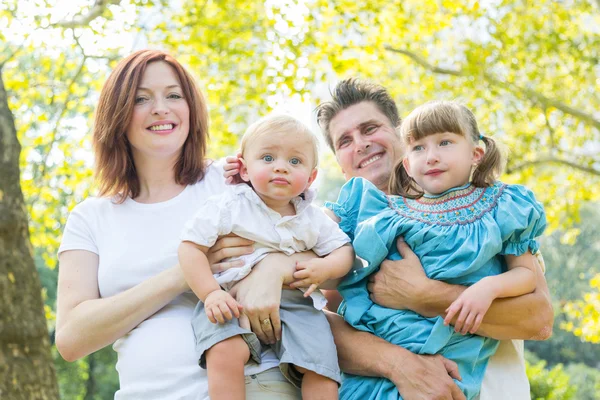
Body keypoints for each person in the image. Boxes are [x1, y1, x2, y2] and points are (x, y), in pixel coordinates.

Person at [55, 49, 309, 399]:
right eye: (141, 99)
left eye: (173, 95)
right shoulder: (90, 217)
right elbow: (70, 339)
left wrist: (274, 268)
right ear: (117, 115)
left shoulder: (233, 181)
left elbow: (320, 248)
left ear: (191, 109)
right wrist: (184, 273)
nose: (161, 108)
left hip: (259, 385)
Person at [316, 78, 554, 399]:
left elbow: (537, 320)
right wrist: (400, 365)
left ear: (400, 136)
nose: (359, 144)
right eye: (344, 141)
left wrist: (424, 294)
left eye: (370, 128)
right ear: (341, 167)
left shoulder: (485, 214)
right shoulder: (339, 234)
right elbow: (307, 319)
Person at [178, 114, 354, 400]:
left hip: (298, 303)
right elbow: (190, 247)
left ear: (310, 178)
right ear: (245, 169)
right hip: (229, 297)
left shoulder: (312, 217)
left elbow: (343, 251)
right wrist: (210, 293)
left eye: (295, 162)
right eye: (268, 158)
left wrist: (324, 266)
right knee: (224, 350)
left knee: (319, 365)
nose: (281, 167)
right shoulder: (228, 206)